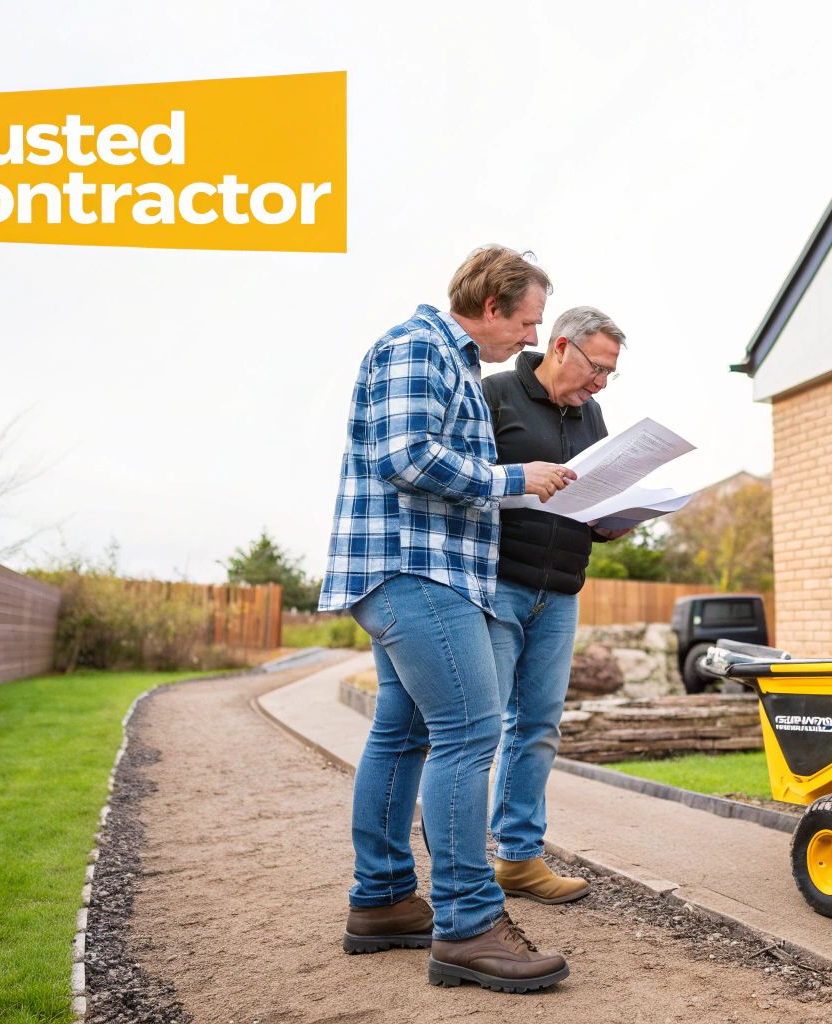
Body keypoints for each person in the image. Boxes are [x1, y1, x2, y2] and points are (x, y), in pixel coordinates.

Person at [318, 244, 576, 993]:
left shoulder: (454, 362)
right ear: (492, 306)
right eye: (528, 322)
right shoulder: (417, 346)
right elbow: (405, 457)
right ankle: (468, 924)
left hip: (424, 571)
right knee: (469, 733)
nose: (531, 338)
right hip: (412, 569)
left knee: (404, 734)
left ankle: (386, 901)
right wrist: (512, 478)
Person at [479, 306, 628, 904]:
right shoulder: (495, 396)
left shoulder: (592, 414)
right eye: (597, 368)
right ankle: (464, 868)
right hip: (496, 584)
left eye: (612, 374)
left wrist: (614, 522)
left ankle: (518, 858)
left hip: (561, 590)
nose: (601, 384)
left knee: (538, 727)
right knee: (479, 730)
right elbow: (469, 483)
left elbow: (588, 500)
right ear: (560, 347)